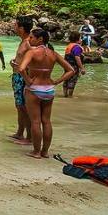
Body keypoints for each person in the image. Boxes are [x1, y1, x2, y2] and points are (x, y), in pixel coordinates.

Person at [18, 28, 75, 159]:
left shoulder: (31, 52)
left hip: (34, 89)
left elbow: (21, 68)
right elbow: (71, 70)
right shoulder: (53, 54)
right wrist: (56, 81)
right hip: (49, 89)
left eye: (32, 37)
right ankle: (45, 152)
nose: (29, 39)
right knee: (46, 121)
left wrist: (28, 81)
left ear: (40, 39)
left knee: (35, 122)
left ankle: (36, 152)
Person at [9, 16, 33, 145]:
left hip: (22, 78)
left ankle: (29, 137)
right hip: (18, 77)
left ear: (22, 28)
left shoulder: (29, 42)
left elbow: (34, 58)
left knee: (25, 107)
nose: (14, 28)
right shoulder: (23, 40)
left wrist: (23, 69)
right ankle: (20, 132)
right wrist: (15, 62)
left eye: (16, 25)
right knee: (19, 106)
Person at [62, 31, 86, 98]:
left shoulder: (69, 45)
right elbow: (77, 58)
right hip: (74, 66)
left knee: (66, 79)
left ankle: (65, 95)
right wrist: (82, 68)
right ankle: (70, 96)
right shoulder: (77, 47)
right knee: (73, 80)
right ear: (78, 39)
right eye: (80, 38)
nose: (81, 39)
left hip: (66, 66)